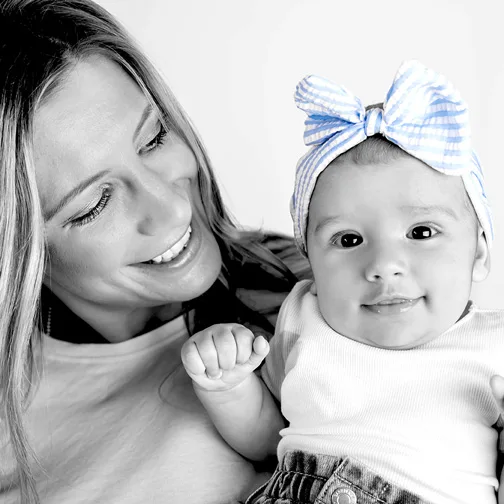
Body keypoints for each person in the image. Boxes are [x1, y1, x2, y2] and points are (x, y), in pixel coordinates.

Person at [0, 1, 312, 503]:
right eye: (94, 204)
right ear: (16, 252)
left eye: (154, 137)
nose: (170, 210)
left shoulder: (324, 292)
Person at [181, 61, 504, 504]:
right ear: (311, 259)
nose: (384, 265)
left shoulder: (495, 345)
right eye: (349, 239)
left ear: (479, 252)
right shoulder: (304, 319)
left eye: (422, 233)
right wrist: (228, 385)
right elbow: (265, 440)